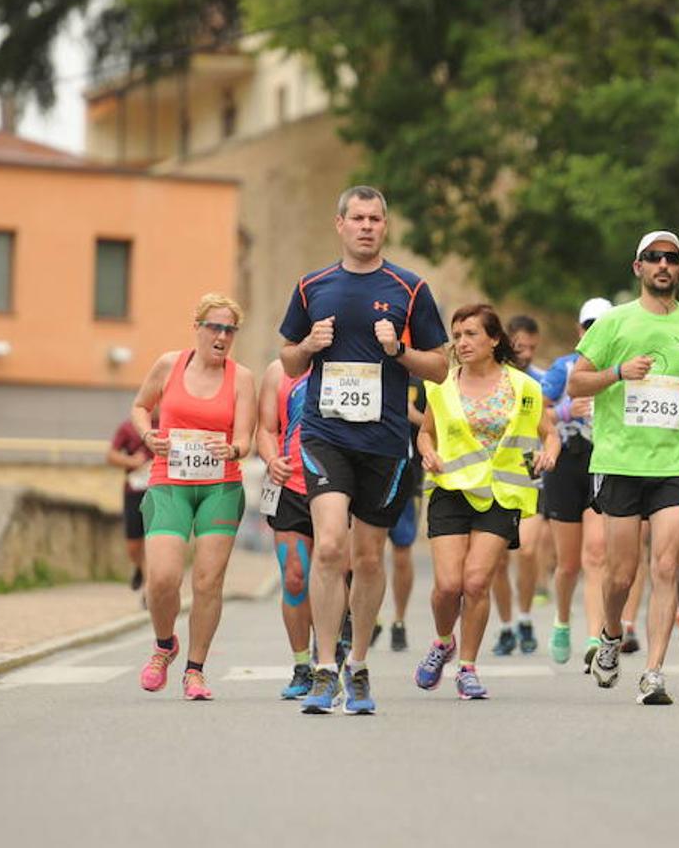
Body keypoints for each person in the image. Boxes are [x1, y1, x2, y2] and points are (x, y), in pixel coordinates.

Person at [279, 185, 448, 715]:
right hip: (326, 434)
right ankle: (324, 668)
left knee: (369, 557)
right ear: (340, 225)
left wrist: (400, 351)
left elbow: (441, 367)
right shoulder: (312, 287)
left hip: (385, 442)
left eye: (376, 218)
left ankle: (359, 664)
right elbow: (287, 361)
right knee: (330, 547)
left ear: (385, 225)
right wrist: (308, 347)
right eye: (358, 218)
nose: (367, 226)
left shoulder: (410, 288)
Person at [568, 230, 679, 705]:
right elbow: (576, 385)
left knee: (666, 565)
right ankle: (612, 635)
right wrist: (618, 373)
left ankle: (654, 671)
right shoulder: (614, 323)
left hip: (675, 463)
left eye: (671, 259)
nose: (663, 265)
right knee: (620, 574)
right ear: (638, 268)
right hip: (620, 460)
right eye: (653, 258)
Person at [413, 304, 559, 699]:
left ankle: (467, 669)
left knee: (476, 582)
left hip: (501, 493)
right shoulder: (441, 386)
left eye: (471, 334)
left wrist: (550, 452)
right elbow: (426, 431)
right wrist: (427, 451)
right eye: (457, 335)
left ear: (495, 339)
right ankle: (444, 642)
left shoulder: (524, 386)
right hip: (451, 489)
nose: (461, 342)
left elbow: (550, 431)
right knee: (447, 586)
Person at [131, 293, 257, 700]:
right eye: (215, 327)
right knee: (162, 579)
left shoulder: (242, 378)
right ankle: (165, 645)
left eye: (229, 330)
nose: (222, 336)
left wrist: (233, 449)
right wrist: (149, 434)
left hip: (221, 485)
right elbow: (140, 406)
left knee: (207, 581)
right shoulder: (170, 364)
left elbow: (245, 438)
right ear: (198, 328)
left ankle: (195, 671)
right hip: (169, 481)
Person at [541, 297, 614, 667]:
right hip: (566, 464)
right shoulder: (563, 368)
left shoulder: (620, 369)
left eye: (602, 326)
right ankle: (562, 620)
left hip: (603, 462)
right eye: (589, 326)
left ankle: (593, 636)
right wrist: (567, 409)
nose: (594, 333)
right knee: (568, 563)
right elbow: (534, 412)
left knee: (597, 553)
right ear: (579, 330)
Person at [256, 359, 316, 698]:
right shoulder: (278, 371)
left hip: (337, 485)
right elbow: (266, 429)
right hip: (290, 486)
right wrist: (271, 459)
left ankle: (333, 656)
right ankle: (302, 665)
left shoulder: (346, 361)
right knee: (294, 577)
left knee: (340, 575)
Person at [491, 314, 548, 656]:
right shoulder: (494, 381)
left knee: (527, 551)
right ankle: (507, 624)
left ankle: (525, 617)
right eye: (518, 346)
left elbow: (550, 427)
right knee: (497, 560)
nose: (524, 353)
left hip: (531, 475)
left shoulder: (540, 381)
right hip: (495, 478)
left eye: (530, 347)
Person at [387, 378, 428, 652]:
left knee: (402, 550)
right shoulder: (368, 368)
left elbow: (439, 426)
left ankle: (399, 620)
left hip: (409, 475)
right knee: (365, 553)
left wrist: (413, 415)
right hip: (371, 474)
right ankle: (368, 616)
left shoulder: (421, 383)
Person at [106, 416, 153, 596]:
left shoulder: (169, 424)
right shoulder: (128, 427)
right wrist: (132, 462)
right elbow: (111, 455)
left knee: (152, 540)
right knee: (133, 545)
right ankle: (139, 567)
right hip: (134, 491)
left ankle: (147, 592)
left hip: (161, 492)